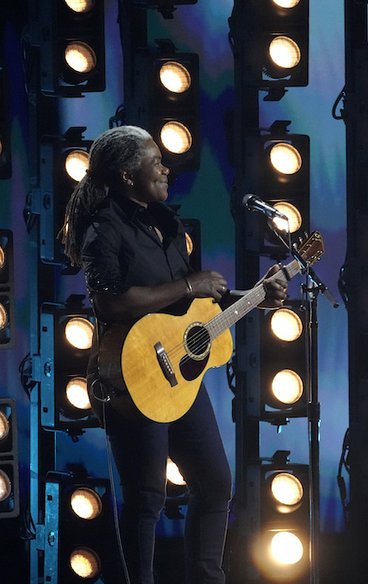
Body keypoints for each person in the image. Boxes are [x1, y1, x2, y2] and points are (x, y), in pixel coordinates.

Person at [60, 125, 288, 584]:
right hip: (132, 373)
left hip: (178, 377)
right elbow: (109, 302)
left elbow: (190, 309)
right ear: (127, 175)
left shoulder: (164, 222)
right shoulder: (105, 228)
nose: (166, 168)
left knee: (216, 483)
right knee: (147, 497)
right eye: (156, 161)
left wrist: (258, 294)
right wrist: (190, 283)